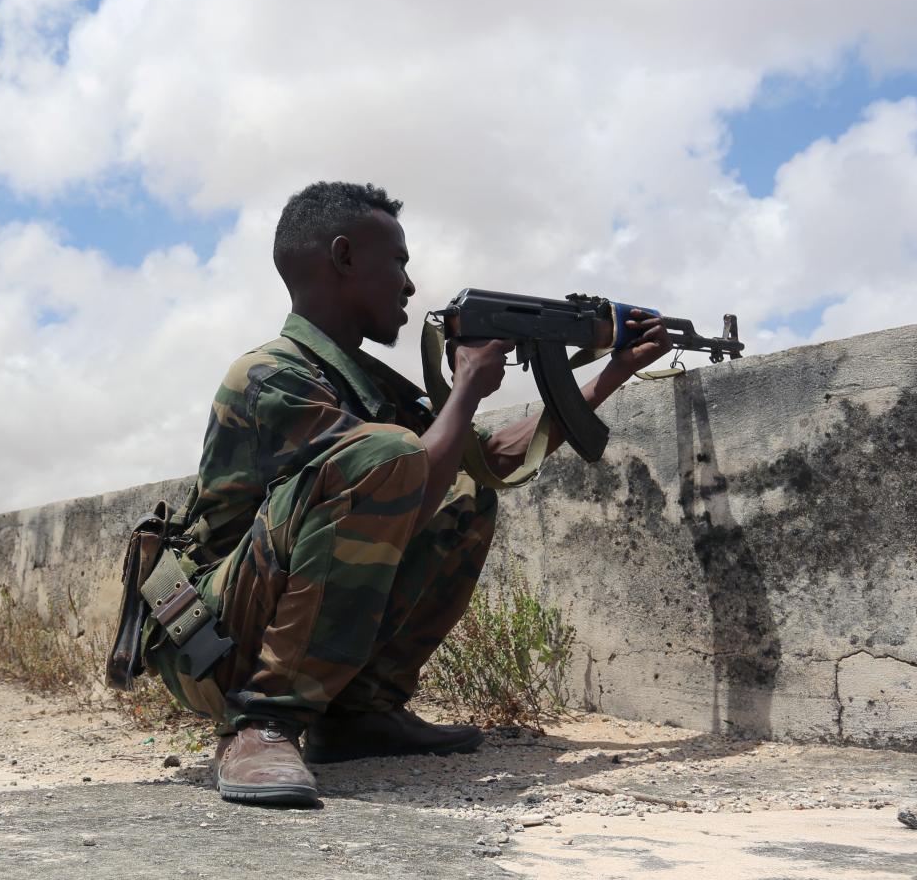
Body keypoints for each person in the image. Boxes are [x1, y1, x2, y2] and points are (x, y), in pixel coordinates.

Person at [152, 181, 675, 807]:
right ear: (344, 258)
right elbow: (402, 480)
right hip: (211, 646)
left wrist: (605, 377)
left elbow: (488, 458)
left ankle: (360, 713)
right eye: (397, 260)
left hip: (251, 619)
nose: (408, 284)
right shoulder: (269, 376)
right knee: (398, 455)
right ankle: (263, 724)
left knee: (467, 492)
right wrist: (467, 388)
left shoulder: (366, 381)